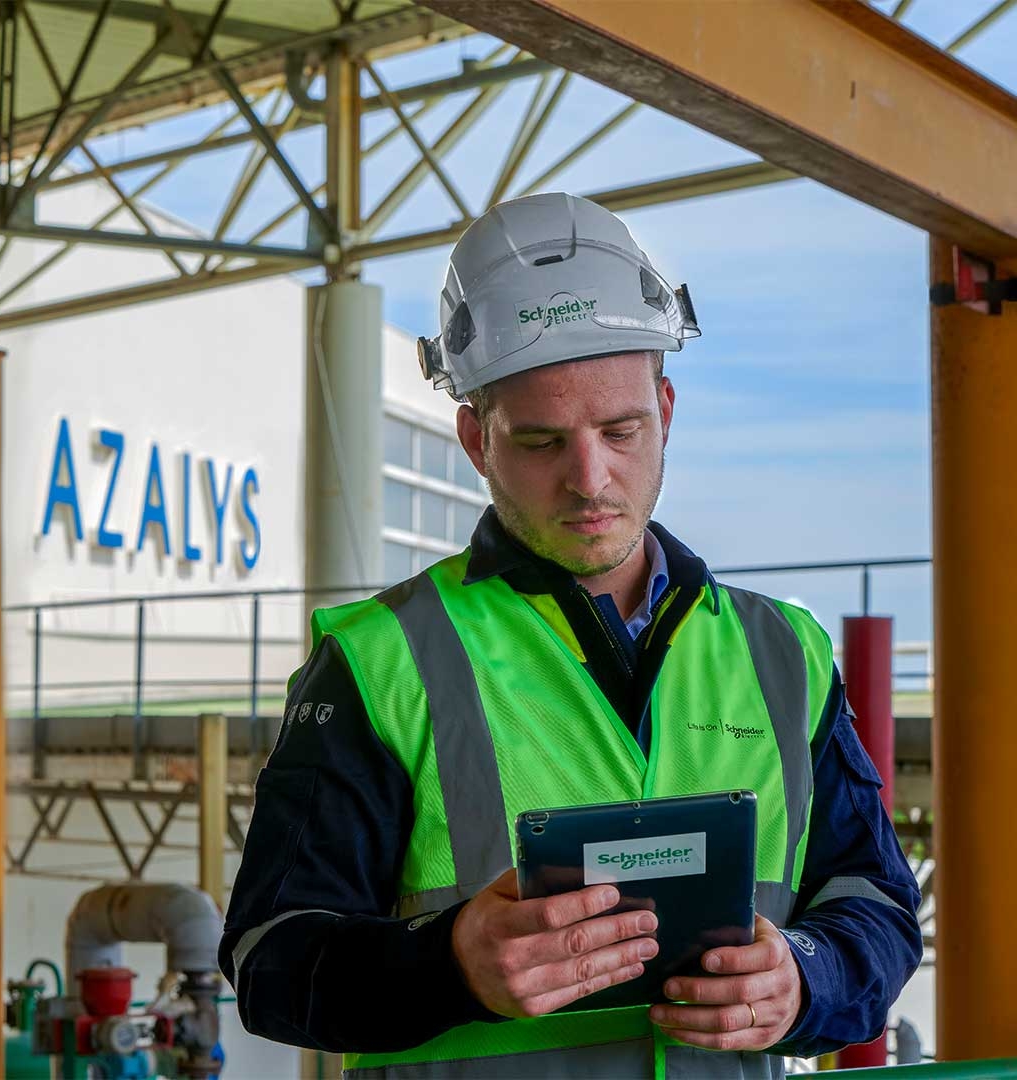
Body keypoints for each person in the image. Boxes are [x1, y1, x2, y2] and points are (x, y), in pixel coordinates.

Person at [220, 193, 922, 1079]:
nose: (591, 480)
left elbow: (877, 905)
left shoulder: (783, 654)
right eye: (543, 441)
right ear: (477, 438)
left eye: (621, 431)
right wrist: (450, 964)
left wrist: (803, 978)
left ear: (667, 408)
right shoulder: (380, 660)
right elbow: (267, 961)